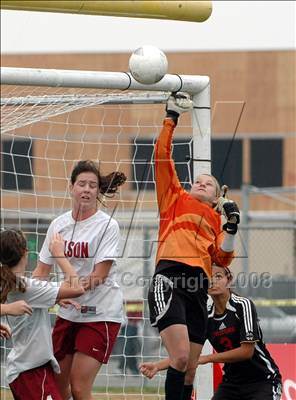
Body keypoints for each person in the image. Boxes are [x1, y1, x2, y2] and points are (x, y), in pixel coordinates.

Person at [147, 93, 240, 400]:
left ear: (216, 196)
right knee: (181, 357)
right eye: (197, 180)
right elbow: (162, 156)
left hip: (197, 288)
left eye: (208, 182)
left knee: (190, 368)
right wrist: (171, 117)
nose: (200, 183)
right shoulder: (175, 199)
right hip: (170, 279)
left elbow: (223, 257)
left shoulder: (215, 220)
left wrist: (231, 226)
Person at [33, 160, 126, 400]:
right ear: (71, 187)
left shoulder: (108, 225)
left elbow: (98, 276)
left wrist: (60, 293)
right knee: (57, 387)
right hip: (68, 315)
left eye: (92, 185)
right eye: (82, 184)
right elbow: (40, 272)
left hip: (100, 313)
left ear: (98, 191)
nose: (86, 189)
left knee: (79, 387)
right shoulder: (58, 225)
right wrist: (24, 298)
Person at [141, 264, 282, 400]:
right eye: (208, 277)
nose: (213, 281)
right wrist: (157, 366)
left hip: (263, 381)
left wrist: (207, 359)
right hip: (232, 384)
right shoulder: (206, 316)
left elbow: (246, 352)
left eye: (218, 276)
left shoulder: (242, 305)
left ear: (229, 279)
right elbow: (187, 355)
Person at [0, 229, 84, 400]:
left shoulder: (12, 284)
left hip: (27, 371)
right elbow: (78, 288)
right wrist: (59, 255)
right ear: (26, 253)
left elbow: (29, 300)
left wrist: (52, 300)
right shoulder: (28, 286)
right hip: (31, 372)